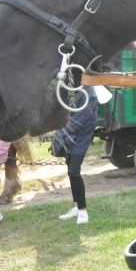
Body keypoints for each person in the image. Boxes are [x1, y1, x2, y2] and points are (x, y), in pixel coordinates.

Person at [54, 86, 99, 225]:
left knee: (74, 172)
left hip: (80, 138)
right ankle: (76, 207)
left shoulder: (89, 94)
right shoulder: (72, 89)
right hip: (68, 137)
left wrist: (61, 136)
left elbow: (79, 121)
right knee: (70, 172)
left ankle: (83, 211)